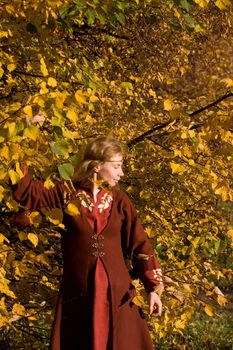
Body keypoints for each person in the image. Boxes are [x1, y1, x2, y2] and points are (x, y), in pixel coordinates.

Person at [13, 136, 164, 350]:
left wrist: (153, 289)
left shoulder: (120, 201)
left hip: (119, 295)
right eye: (116, 166)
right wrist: (23, 137)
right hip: (79, 294)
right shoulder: (66, 194)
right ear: (96, 166)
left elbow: (140, 244)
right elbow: (29, 194)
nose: (121, 173)